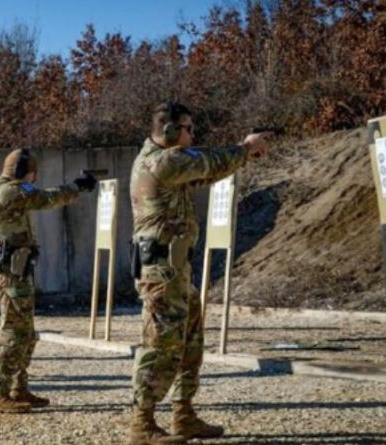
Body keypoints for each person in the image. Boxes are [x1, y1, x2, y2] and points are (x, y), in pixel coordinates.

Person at [129, 102, 270, 445]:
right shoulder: (161, 161)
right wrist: (245, 148)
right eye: (188, 129)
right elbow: (206, 162)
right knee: (161, 345)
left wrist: (243, 155)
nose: (193, 135)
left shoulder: (167, 161)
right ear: (168, 131)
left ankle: (183, 415)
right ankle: (142, 424)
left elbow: (205, 171)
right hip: (161, 270)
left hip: (175, 269)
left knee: (190, 342)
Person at [0, 148, 97, 414]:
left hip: (12, 268)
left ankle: (17, 389)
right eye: (32, 175)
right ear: (26, 173)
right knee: (14, 333)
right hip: (11, 271)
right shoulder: (11, 191)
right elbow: (47, 198)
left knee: (25, 333)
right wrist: (78, 186)